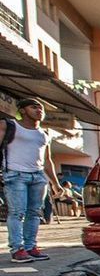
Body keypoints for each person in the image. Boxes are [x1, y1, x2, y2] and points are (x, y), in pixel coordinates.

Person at [3, 98, 63, 261]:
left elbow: (47, 160)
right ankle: (17, 249)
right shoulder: (9, 125)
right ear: (22, 110)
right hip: (15, 174)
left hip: (38, 176)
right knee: (17, 213)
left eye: (41, 108)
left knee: (35, 213)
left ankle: (30, 247)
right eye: (34, 107)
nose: (39, 110)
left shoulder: (44, 134)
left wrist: (55, 183)